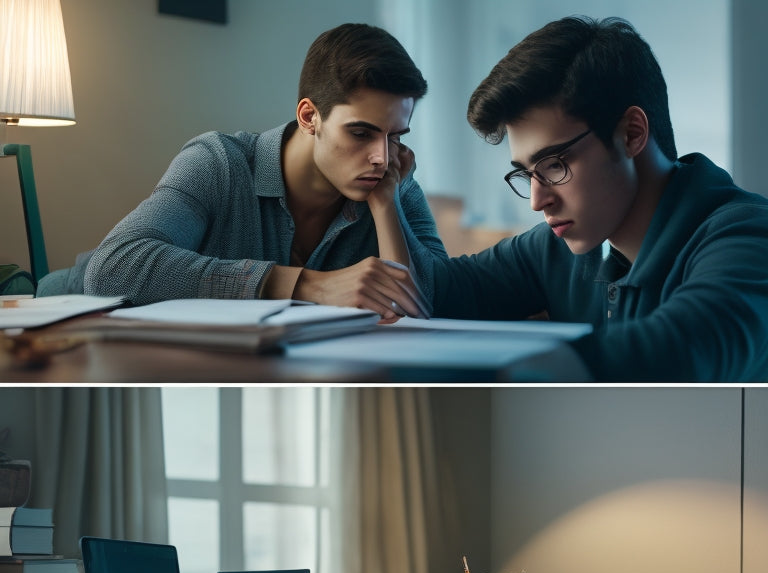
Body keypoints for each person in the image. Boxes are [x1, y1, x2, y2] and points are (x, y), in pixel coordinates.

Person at [429, 16, 768, 382]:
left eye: (555, 164)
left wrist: (537, 368)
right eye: (527, 173)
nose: (537, 200)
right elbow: (438, 288)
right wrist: (393, 188)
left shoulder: (747, 236)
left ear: (631, 134)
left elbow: (689, 343)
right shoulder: (563, 246)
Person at [41, 23, 446, 321]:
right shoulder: (218, 162)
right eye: (361, 132)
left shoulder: (392, 181)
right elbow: (114, 269)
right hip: (52, 319)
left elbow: (434, 304)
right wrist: (309, 285)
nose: (381, 156)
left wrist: (387, 207)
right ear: (310, 116)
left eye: (395, 135)